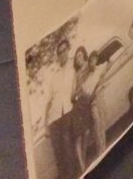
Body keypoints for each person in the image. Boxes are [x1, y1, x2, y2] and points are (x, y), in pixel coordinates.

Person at [45, 39, 80, 179]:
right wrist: (45, 125)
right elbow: (48, 102)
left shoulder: (73, 68)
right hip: (53, 119)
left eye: (64, 51)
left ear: (68, 50)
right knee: (58, 153)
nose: (62, 54)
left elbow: (77, 86)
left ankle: (73, 176)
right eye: (59, 53)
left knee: (67, 147)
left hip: (67, 112)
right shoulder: (54, 76)